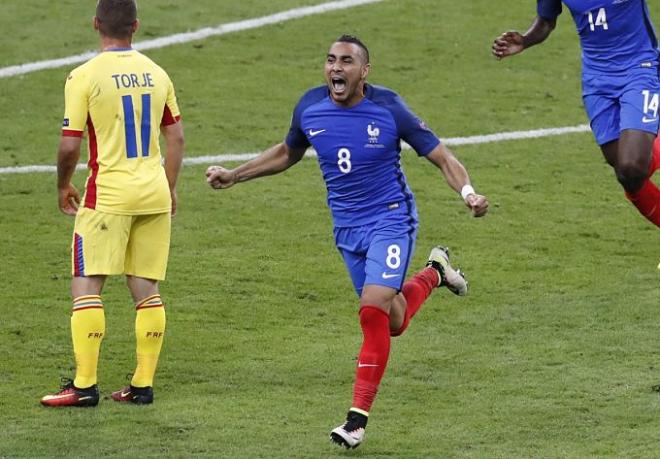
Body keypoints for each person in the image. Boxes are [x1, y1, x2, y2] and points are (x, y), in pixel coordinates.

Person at [206, 35, 488, 449]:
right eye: (331, 60)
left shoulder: (389, 108)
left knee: (372, 311)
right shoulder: (310, 106)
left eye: (347, 62)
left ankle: (356, 421)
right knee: (392, 321)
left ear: (364, 71)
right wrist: (235, 175)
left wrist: (469, 194)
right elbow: (288, 152)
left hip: (391, 219)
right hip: (347, 229)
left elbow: (442, 157)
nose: (336, 68)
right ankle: (436, 272)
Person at [41, 0, 184, 407]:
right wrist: (169, 187)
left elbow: (70, 144)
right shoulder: (158, 73)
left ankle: (84, 386)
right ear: (136, 26)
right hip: (154, 192)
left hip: (108, 195)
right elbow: (176, 139)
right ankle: (142, 385)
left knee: (86, 286)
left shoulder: (83, 76)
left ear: (95, 25)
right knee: (146, 289)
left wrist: (63, 185)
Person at [492, 0, 660, 228]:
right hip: (596, 80)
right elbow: (546, 21)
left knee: (632, 166)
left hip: (640, 68)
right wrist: (525, 40)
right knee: (626, 173)